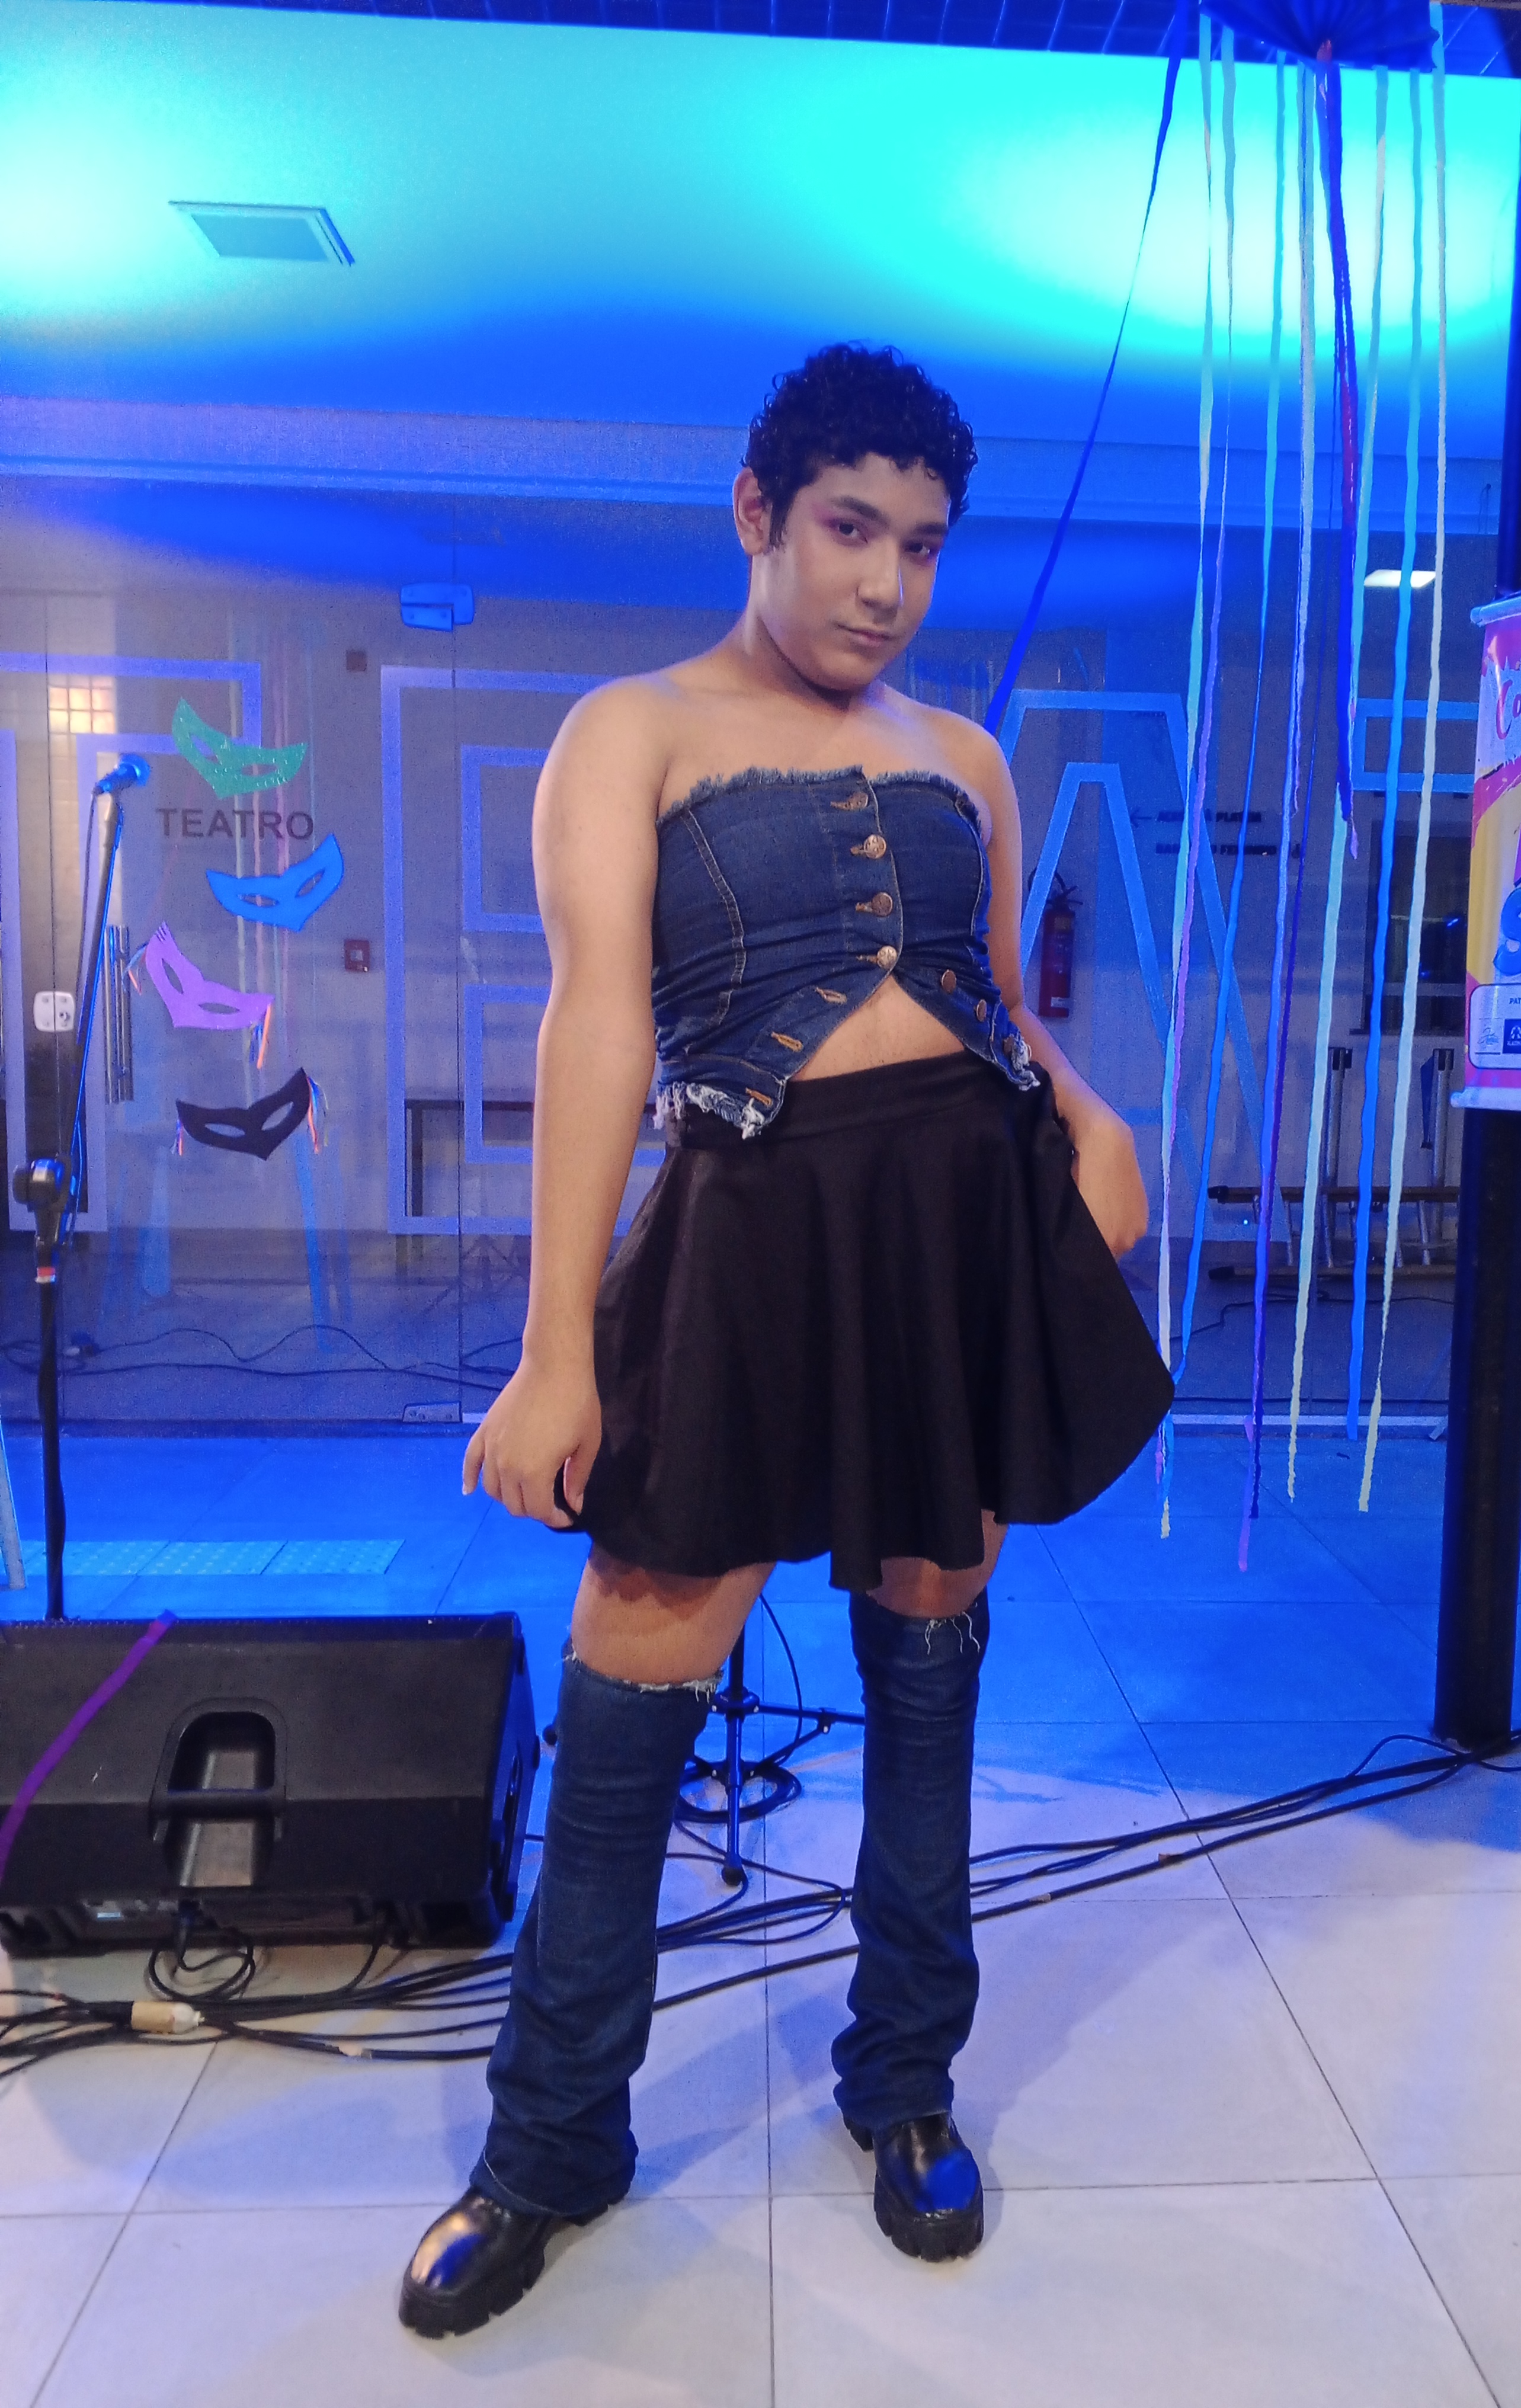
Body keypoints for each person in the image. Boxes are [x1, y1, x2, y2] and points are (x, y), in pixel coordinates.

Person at [399, 344, 1173, 2339]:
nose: (886, 582)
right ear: (757, 514)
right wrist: (556, 1349)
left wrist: (1092, 1114)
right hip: (749, 1226)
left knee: (932, 1643)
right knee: (640, 1658)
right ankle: (550, 2142)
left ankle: (904, 2080)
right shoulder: (632, 730)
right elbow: (596, 1026)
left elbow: (998, 1004)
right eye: (848, 528)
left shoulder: (968, 756)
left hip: (960, 1221)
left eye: (922, 543)